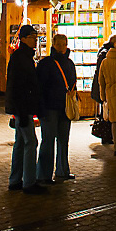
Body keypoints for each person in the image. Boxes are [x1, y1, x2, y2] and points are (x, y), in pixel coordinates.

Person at [6, 24, 45, 194]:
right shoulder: (21, 58)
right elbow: (18, 87)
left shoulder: (22, 57)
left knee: (21, 143)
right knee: (31, 142)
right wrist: (21, 111)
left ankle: (15, 180)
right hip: (23, 107)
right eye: (32, 38)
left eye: (36, 38)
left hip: (21, 107)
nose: (35, 41)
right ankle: (29, 182)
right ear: (23, 38)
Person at [35, 34, 77, 184]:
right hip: (50, 107)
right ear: (53, 45)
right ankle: (44, 175)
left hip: (63, 107)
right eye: (58, 44)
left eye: (63, 44)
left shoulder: (69, 63)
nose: (61, 47)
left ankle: (62, 170)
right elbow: (40, 86)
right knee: (48, 140)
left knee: (63, 140)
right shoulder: (46, 63)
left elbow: (73, 83)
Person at [90, 35, 116, 145]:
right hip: (104, 87)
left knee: (106, 112)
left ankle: (106, 135)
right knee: (106, 113)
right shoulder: (106, 54)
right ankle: (106, 136)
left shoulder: (103, 51)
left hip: (101, 86)